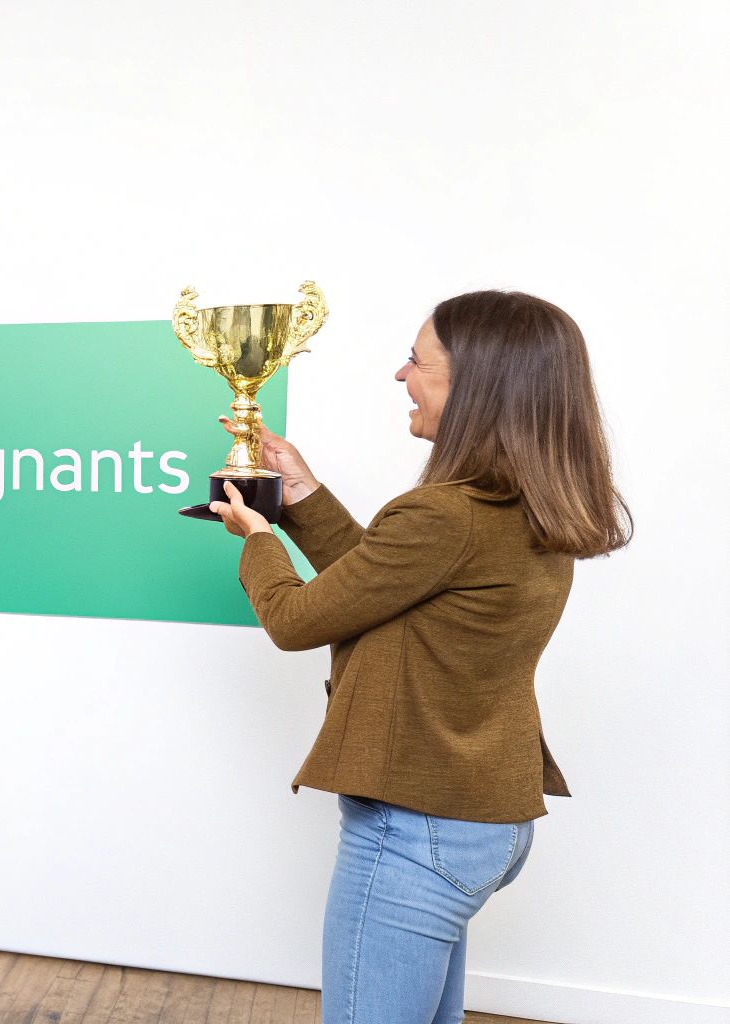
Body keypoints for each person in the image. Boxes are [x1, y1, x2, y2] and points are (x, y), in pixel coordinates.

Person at [208, 290, 631, 1023]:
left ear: (473, 386)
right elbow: (382, 583)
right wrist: (300, 490)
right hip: (483, 819)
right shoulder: (528, 505)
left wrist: (258, 538)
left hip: (418, 828)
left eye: (417, 360)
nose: (400, 375)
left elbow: (297, 617)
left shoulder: (445, 514)